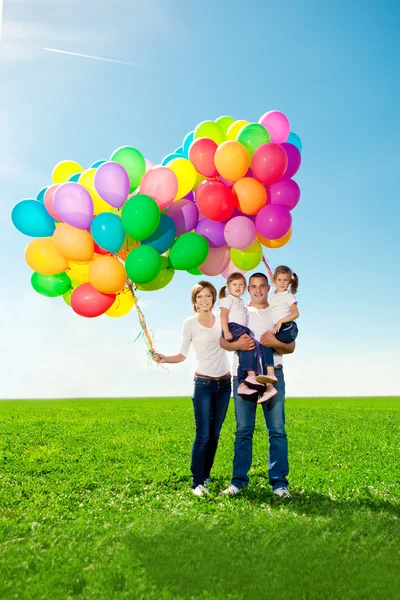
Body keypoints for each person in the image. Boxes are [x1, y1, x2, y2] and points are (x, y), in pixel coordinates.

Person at [219, 272, 295, 498]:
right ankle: (238, 482)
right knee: (243, 430)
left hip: (274, 376)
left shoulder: (277, 311)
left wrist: (275, 342)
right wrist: (237, 346)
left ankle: (279, 484)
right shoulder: (241, 309)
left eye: (263, 286)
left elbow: (290, 347)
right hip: (243, 377)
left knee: (277, 431)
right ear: (248, 289)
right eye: (253, 286)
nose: (258, 290)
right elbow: (223, 341)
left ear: (269, 288)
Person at [154, 280, 231, 497]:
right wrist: (164, 358)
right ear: (194, 301)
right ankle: (197, 482)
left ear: (213, 298)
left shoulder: (221, 320)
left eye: (208, 296)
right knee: (203, 434)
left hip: (225, 383)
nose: (204, 300)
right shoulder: (190, 323)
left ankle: (206, 475)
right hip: (204, 383)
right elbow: (182, 354)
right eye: (200, 297)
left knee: (215, 434)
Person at [219, 272, 265, 399]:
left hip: (240, 328)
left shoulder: (239, 301)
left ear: (245, 288)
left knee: (249, 349)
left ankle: (243, 384)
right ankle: (251, 376)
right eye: (234, 284)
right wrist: (226, 331)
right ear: (228, 287)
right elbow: (223, 316)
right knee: (250, 344)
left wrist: (248, 304)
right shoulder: (227, 300)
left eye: (241, 284)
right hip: (233, 327)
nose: (237, 286)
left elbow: (241, 312)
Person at [257, 266, 299, 400]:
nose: (282, 283)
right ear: (275, 281)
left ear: (289, 282)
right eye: (279, 280)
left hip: (288, 327)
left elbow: (296, 313)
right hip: (282, 327)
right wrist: (264, 262)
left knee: (266, 342)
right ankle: (269, 380)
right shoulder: (275, 292)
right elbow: (271, 275)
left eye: (285, 280)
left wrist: (281, 321)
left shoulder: (288, 296)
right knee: (266, 342)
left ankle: (270, 375)